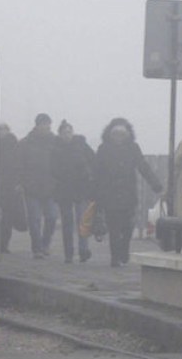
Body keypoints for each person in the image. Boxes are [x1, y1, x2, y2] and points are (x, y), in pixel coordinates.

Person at [93, 118, 163, 268]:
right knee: (114, 227)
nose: (118, 137)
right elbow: (96, 172)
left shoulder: (133, 148)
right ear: (110, 134)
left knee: (128, 226)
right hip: (109, 193)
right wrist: (95, 193)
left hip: (128, 193)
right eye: (115, 134)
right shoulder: (103, 149)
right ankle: (115, 258)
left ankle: (124, 250)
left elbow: (143, 166)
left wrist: (155, 184)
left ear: (127, 135)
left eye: (122, 134)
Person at [51, 120, 95, 264]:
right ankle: (68, 254)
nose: (67, 135)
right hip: (63, 190)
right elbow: (51, 169)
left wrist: (90, 177)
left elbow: (93, 160)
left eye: (69, 132)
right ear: (60, 134)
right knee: (67, 223)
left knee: (82, 221)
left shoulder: (81, 145)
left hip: (81, 189)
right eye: (64, 132)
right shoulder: (55, 148)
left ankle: (83, 251)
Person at [20, 113, 59, 259]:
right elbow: (19, 165)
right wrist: (22, 182)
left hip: (51, 187)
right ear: (36, 125)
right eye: (43, 124)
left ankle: (45, 244)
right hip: (32, 187)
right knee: (34, 220)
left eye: (48, 124)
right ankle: (37, 248)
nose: (46, 126)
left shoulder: (56, 142)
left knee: (52, 217)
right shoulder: (25, 143)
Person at [0, 122, 22, 255]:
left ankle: (3, 244)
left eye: (3, 129)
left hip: (9, 185)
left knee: (7, 217)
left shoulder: (13, 144)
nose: (0, 132)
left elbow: (19, 164)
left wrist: (18, 182)